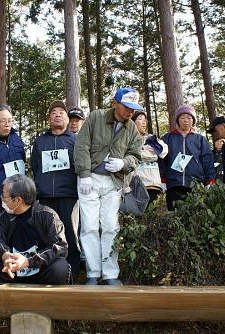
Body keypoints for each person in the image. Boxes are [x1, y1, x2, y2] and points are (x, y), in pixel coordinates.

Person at [74, 87, 142, 286]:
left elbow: (135, 156)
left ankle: (110, 273)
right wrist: (84, 174)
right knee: (89, 227)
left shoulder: (132, 129)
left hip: (114, 182)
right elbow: (82, 145)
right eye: (126, 106)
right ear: (115, 103)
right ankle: (93, 273)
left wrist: (124, 163)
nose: (130, 112)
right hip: (90, 180)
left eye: (133, 108)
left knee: (111, 227)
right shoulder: (96, 117)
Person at [0, 174, 70, 284]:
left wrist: (28, 261)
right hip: (12, 269)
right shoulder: (4, 216)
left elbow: (60, 246)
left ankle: (49, 299)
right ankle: (9, 297)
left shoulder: (47, 215)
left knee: (60, 268)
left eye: (4, 197)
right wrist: (5, 255)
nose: (2, 199)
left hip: (40, 268)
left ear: (17, 200)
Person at [31, 100, 80, 278]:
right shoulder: (39, 141)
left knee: (70, 233)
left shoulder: (75, 140)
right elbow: (35, 166)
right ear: (49, 119)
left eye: (61, 112)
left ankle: (72, 270)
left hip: (69, 195)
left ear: (67, 119)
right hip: (45, 197)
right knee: (47, 234)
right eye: (53, 113)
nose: (57, 114)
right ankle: (49, 269)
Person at [159, 104, 215, 211]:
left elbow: (207, 160)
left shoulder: (200, 139)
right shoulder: (168, 138)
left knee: (196, 216)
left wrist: (210, 180)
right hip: (173, 185)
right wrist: (162, 180)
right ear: (177, 120)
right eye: (182, 117)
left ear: (193, 121)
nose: (186, 120)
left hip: (196, 184)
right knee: (175, 217)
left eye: (189, 118)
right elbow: (161, 161)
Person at [133, 110, 168, 203]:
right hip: (138, 183)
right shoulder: (128, 139)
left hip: (154, 183)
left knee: (152, 213)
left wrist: (156, 150)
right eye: (140, 119)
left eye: (145, 119)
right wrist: (152, 154)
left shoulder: (151, 138)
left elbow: (163, 151)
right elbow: (133, 155)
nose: (144, 122)